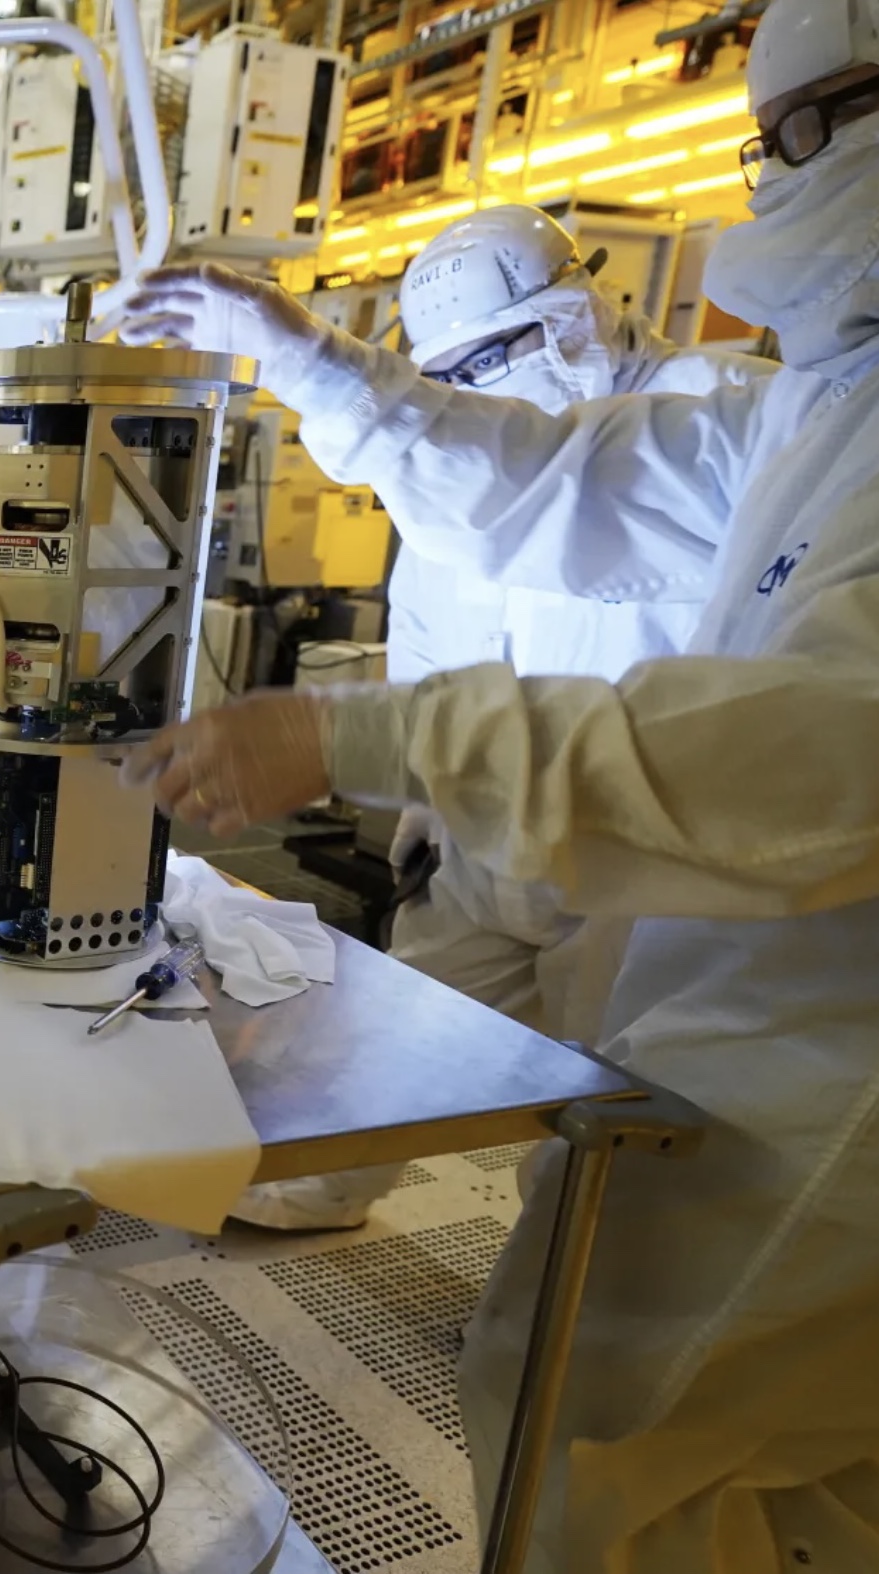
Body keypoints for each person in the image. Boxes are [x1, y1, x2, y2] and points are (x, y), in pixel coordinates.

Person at [122, 0, 879, 1566]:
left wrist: (370, 741)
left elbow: (832, 748)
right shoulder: (857, 388)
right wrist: (304, 361)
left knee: (584, 1406)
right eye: (770, 143)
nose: (785, 174)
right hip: (715, 950)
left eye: (816, 131)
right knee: (858, 1464)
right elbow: (553, 487)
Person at [235, 206, 772, 1232]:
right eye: (453, 371)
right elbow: (432, 629)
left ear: (577, 307)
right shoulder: (460, 461)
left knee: (610, 1096)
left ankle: (571, 1300)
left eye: (497, 352)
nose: (479, 384)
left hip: (644, 848)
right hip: (491, 819)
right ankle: (324, 1179)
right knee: (410, 1021)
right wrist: (421, 804)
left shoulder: (715, 417)